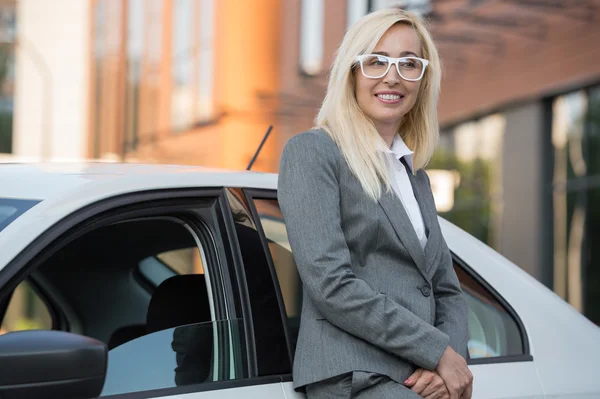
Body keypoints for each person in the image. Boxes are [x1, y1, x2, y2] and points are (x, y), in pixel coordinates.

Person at [277, 7, 472, 399]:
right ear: (351, 72)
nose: (392, 76)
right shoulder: (314, 153)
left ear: (423, 79)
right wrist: (437, 352)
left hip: (418, 378)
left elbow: (446, 290)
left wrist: (449, 361)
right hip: (355, 376)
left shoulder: (414, 176)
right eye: (376, 61)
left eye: (409, 63)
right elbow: (331, 284)